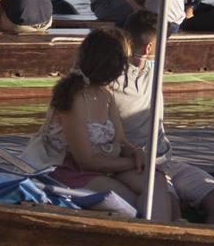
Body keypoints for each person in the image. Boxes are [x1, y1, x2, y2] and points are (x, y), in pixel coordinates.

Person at [23, 26, 172, 219]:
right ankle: (148, 237)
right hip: (67, 168)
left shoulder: (106, 94)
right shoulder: (74, 97)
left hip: (104, 163)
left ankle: (162, 237)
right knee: (128, 201)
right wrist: (130, 164)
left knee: (155, 182)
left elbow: (120, 140)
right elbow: (85, 160)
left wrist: (136, 154)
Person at [114, 11, 214, 223]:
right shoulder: (112, 79)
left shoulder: (153, 68)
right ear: (149, 48)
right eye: (162, 45)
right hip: (139, 165)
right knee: (171, 206)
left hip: (167, 161)